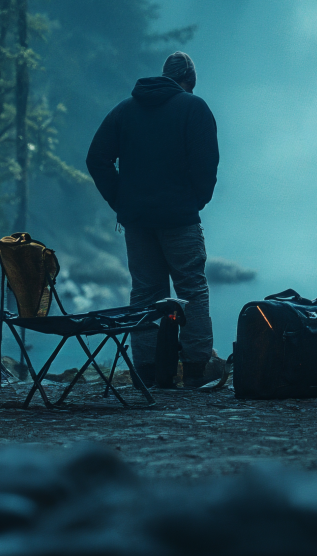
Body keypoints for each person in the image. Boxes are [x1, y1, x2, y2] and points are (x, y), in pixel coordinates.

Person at [84, 50, 223, 389]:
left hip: (138, 221)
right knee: (192, 289)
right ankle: (195, 371)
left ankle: (147, 372)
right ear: (188, 82)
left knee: (145, 294)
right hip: (179, 219)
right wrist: (196, 201)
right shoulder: (194, 107)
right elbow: (206, 165)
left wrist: (122, 201)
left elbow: (96, 158)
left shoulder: (126, 109)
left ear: (163, 76)